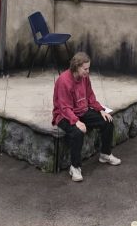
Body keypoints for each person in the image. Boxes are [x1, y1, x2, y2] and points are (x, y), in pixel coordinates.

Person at [52, 51, 121, 182]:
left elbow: (90, 96)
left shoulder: (85, 78)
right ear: (76, 67)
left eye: (88, 68)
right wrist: (76, 121)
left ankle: (105, 154)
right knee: (77, 133)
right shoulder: (63, 81)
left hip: (82, 111)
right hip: (63, 115)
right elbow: (64, 107)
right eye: (85, 69)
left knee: (107, 121)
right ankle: (75, 167)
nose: (88, 71)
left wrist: (101, 110)